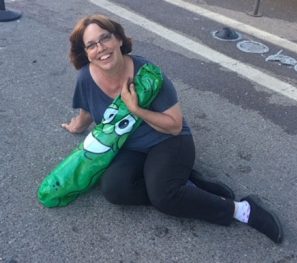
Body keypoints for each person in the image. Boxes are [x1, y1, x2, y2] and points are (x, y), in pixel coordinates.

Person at [62, 14, 283, 243]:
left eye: (105, 38)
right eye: (91, 45)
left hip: (167, 140)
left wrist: (136, 109)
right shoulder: (86, 78)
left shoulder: (148, 74)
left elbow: (175, 126)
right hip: (129, 146)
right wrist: (76, 126)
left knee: (164, 198)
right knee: (114, 190)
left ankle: (242, 209)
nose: (101, 48)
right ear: (86, 52)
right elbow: (87, 110)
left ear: (118, 39)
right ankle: (187, 186)